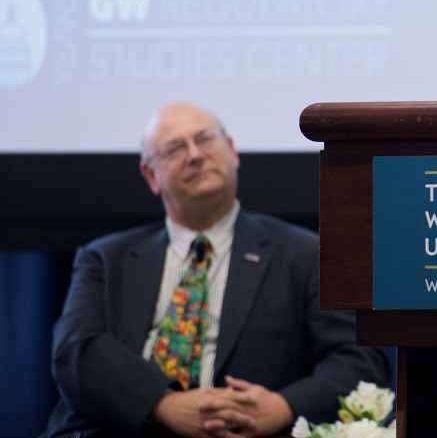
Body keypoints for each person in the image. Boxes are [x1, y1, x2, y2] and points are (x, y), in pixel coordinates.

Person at [44, 102, 391, 437]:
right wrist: (162, 404)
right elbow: (77, 352)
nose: (195, 155)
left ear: (232, 151)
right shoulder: (107, 258)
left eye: (206, 138)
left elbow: (359, 361)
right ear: (151, 175)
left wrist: (285, 406)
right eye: (174, 148)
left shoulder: (303, 254)